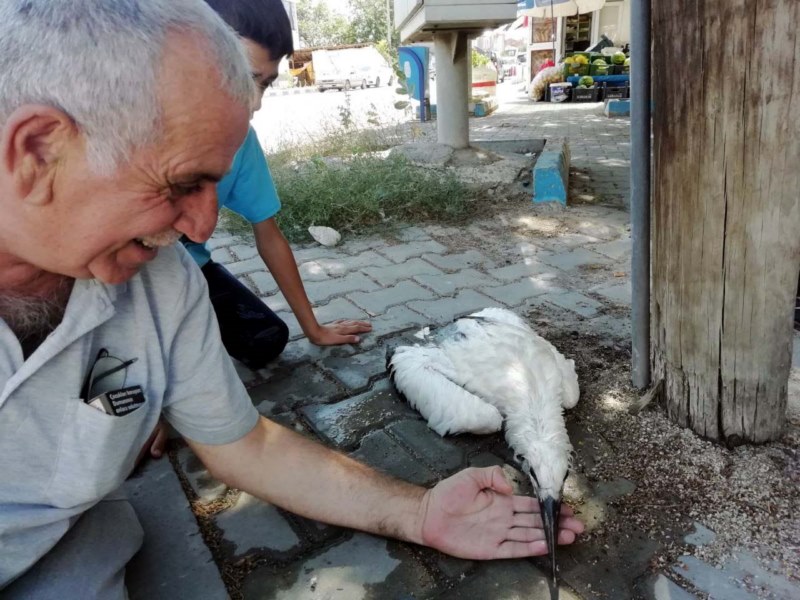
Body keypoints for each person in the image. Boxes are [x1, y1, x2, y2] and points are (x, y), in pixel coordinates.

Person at [0, 1, 585, 598]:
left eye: (213, 184)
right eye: (181, 184)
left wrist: (419, 512)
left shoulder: (165, 283)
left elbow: (245, 444)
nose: (204, 229)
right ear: (39, 151)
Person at [182, 0, 371, 372]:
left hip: (190, 269)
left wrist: (313, 328)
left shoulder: (242, 140)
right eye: (241, 77)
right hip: (123, 281)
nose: (255, 103)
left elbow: (268, 233)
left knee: (265, 339)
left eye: (264, 83)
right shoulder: (133, 134)